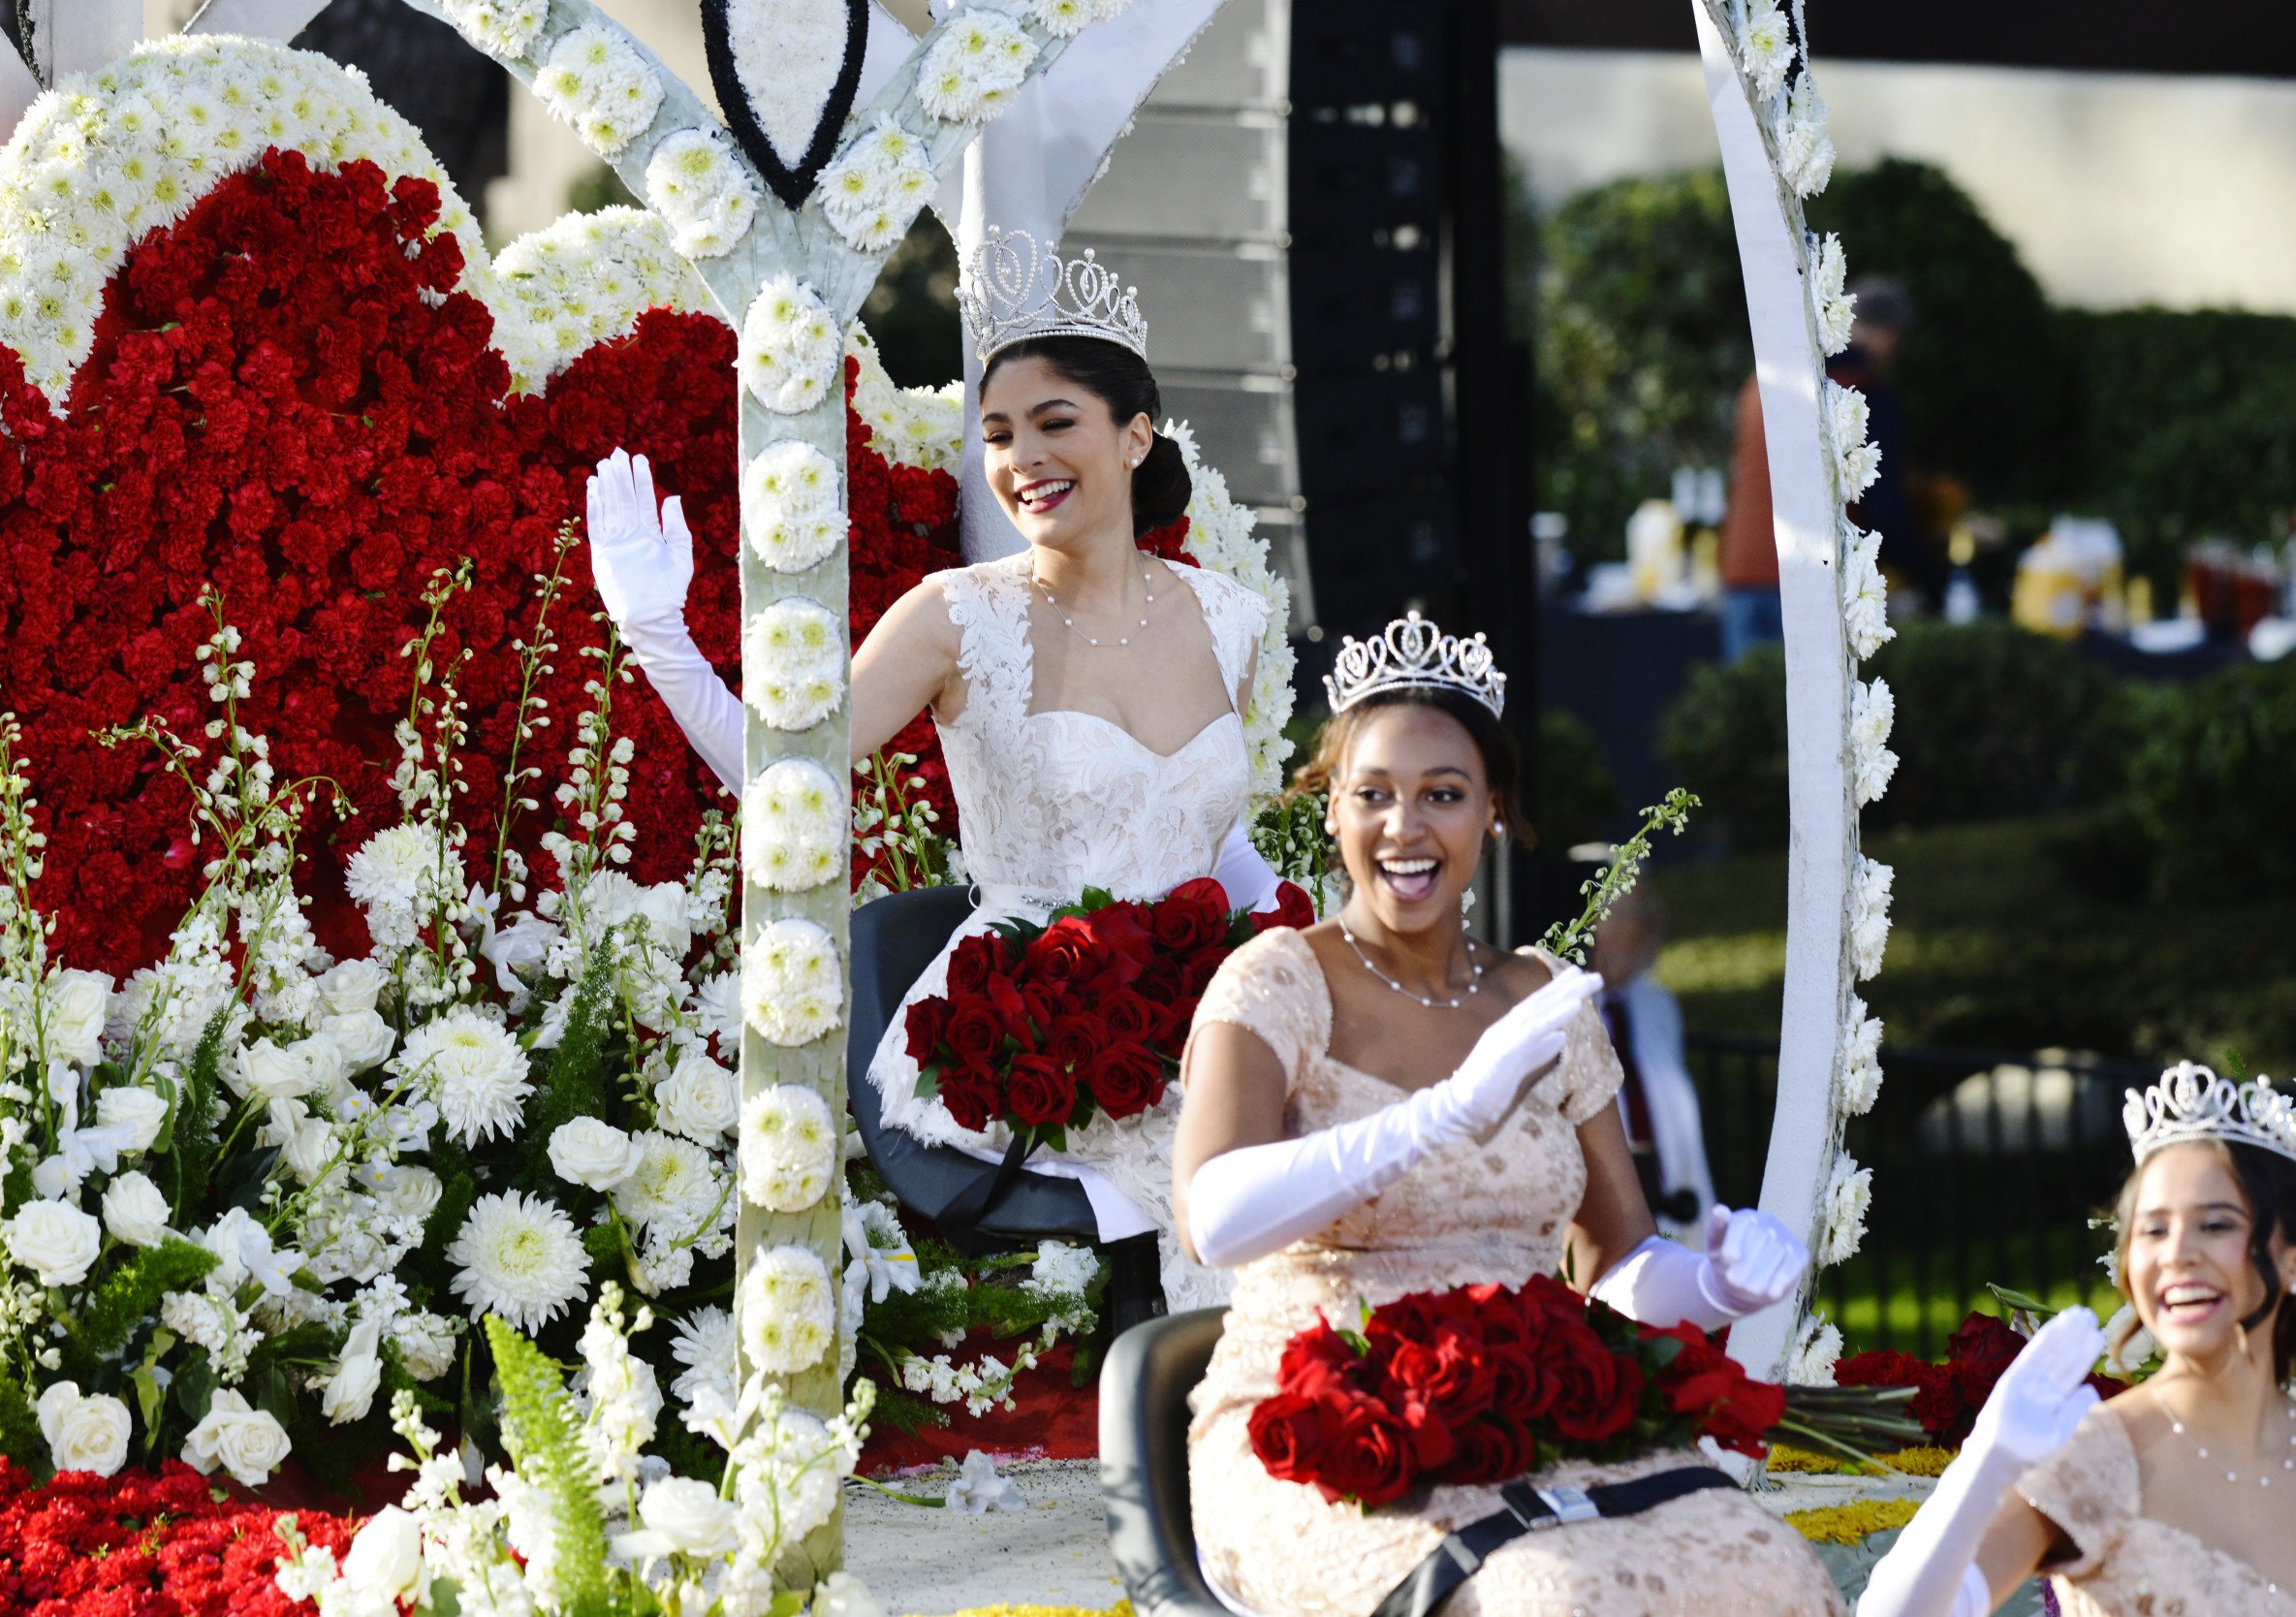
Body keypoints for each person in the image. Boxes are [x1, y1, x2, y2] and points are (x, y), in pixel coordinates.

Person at [584, 229, 1280, 1309]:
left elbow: (1212, 834)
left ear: (1136, 436)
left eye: (1056, 424)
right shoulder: (958, 617)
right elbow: (783, 777)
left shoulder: (1231, 616)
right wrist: (657, 634)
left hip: (1201, 1002)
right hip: (1033, 1025)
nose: (1021, 459)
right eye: (998, 433)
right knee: (1224, 1183)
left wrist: (1299, 951)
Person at [1172, 613, 1840, 1617]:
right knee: (1542, 1601)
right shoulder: (1275, 980)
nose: (1404, 827)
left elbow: (1615, 1269)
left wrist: (1713, 1286)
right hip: (1325, 1416)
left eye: (1440, 795)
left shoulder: (1546, 997)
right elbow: (1212, 1218)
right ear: (1331, 815)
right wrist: (1436, 1118)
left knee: (1769, 1571)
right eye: (1373, 796)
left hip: (1534, 1406)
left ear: (1492, 810)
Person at [1856, 1061, 2296, 1617]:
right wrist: (1986, 1463)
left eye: (2216, 1224)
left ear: (2289, 1256)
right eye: (2154, 1229)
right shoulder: (2097, 1455)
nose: (2177, 1254)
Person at [1716, 276, 1926, 662]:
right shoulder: (1858, 389)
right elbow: (1882, 503)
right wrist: (1930, 569)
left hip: (1743, 574)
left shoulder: (1764, 376)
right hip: (1810, 579)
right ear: (1886, 335)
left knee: (1749, 714)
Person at [1589, 881, 1716, 1234]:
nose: (1657, 923)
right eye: (1641, 912)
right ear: (1598, 925)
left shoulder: (1655, 1004)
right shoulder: (1558, 1012)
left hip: (1678, 1224)